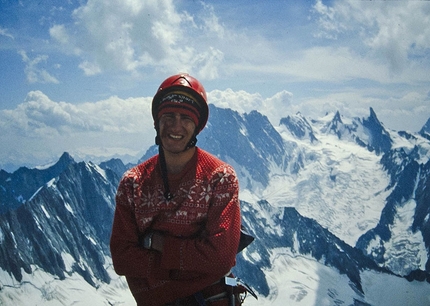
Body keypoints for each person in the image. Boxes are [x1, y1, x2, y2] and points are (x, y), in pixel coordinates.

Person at [110, 73, 244, 306]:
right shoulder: (132, 184)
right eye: (169, 116)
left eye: (185, 118)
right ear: (157, 122)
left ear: (197, 126)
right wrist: (197, 267)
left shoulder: (220, 178)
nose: (176, 126)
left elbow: (221, 259)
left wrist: (158, 245)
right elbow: (122, 259)